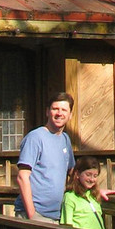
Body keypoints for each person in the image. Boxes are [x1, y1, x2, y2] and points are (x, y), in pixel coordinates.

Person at [14, 92, 76, 222]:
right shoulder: (35, 138)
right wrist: (32, 215)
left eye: (64, 110)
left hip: (57, 215)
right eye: (55, 109)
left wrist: (95, 191)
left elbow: (73, 172)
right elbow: (22, 177)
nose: (59, 113)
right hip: (35, 214)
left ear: (70, 115)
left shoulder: (65, 139)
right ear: (47, 112)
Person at [59, 155, 105, 229]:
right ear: (77, 174)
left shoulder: (93, 195)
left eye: (95, 176)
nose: (91, 179)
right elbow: (67, 226)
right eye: (88, 175)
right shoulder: (70, 197)